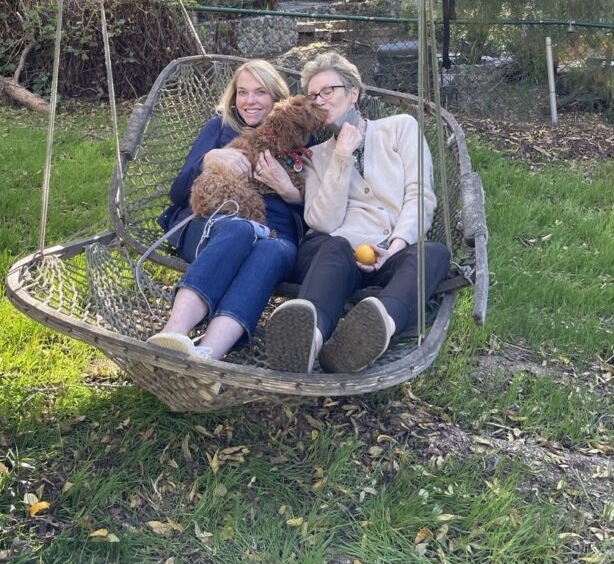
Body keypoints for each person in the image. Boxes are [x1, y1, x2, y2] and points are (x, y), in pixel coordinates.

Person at [265, 51, 451, 375]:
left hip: (388, 250)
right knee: (334, 245)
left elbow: (420, 195)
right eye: (312, 95)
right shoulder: (316, 156)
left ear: (354, 94)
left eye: (328, 91)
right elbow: (323, 221)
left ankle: (369, 332)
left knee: (434, 255)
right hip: (332, 251)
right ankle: (308, 340)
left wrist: (395, 246)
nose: (320, 100)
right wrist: (341, 155)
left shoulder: (400, 129)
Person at [148, 59, 305, 363]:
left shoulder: (299, 138)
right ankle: (171, 338)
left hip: (277, 234)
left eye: (260, 92)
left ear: (276, 98)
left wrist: (289, 191)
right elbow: (178, 192)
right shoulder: (220, 129)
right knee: (240, 228)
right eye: (242, 92)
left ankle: (207, 356)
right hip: (215, 223)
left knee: (270, 250)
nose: (249, 101)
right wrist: (208, 159)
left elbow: (318, 210)